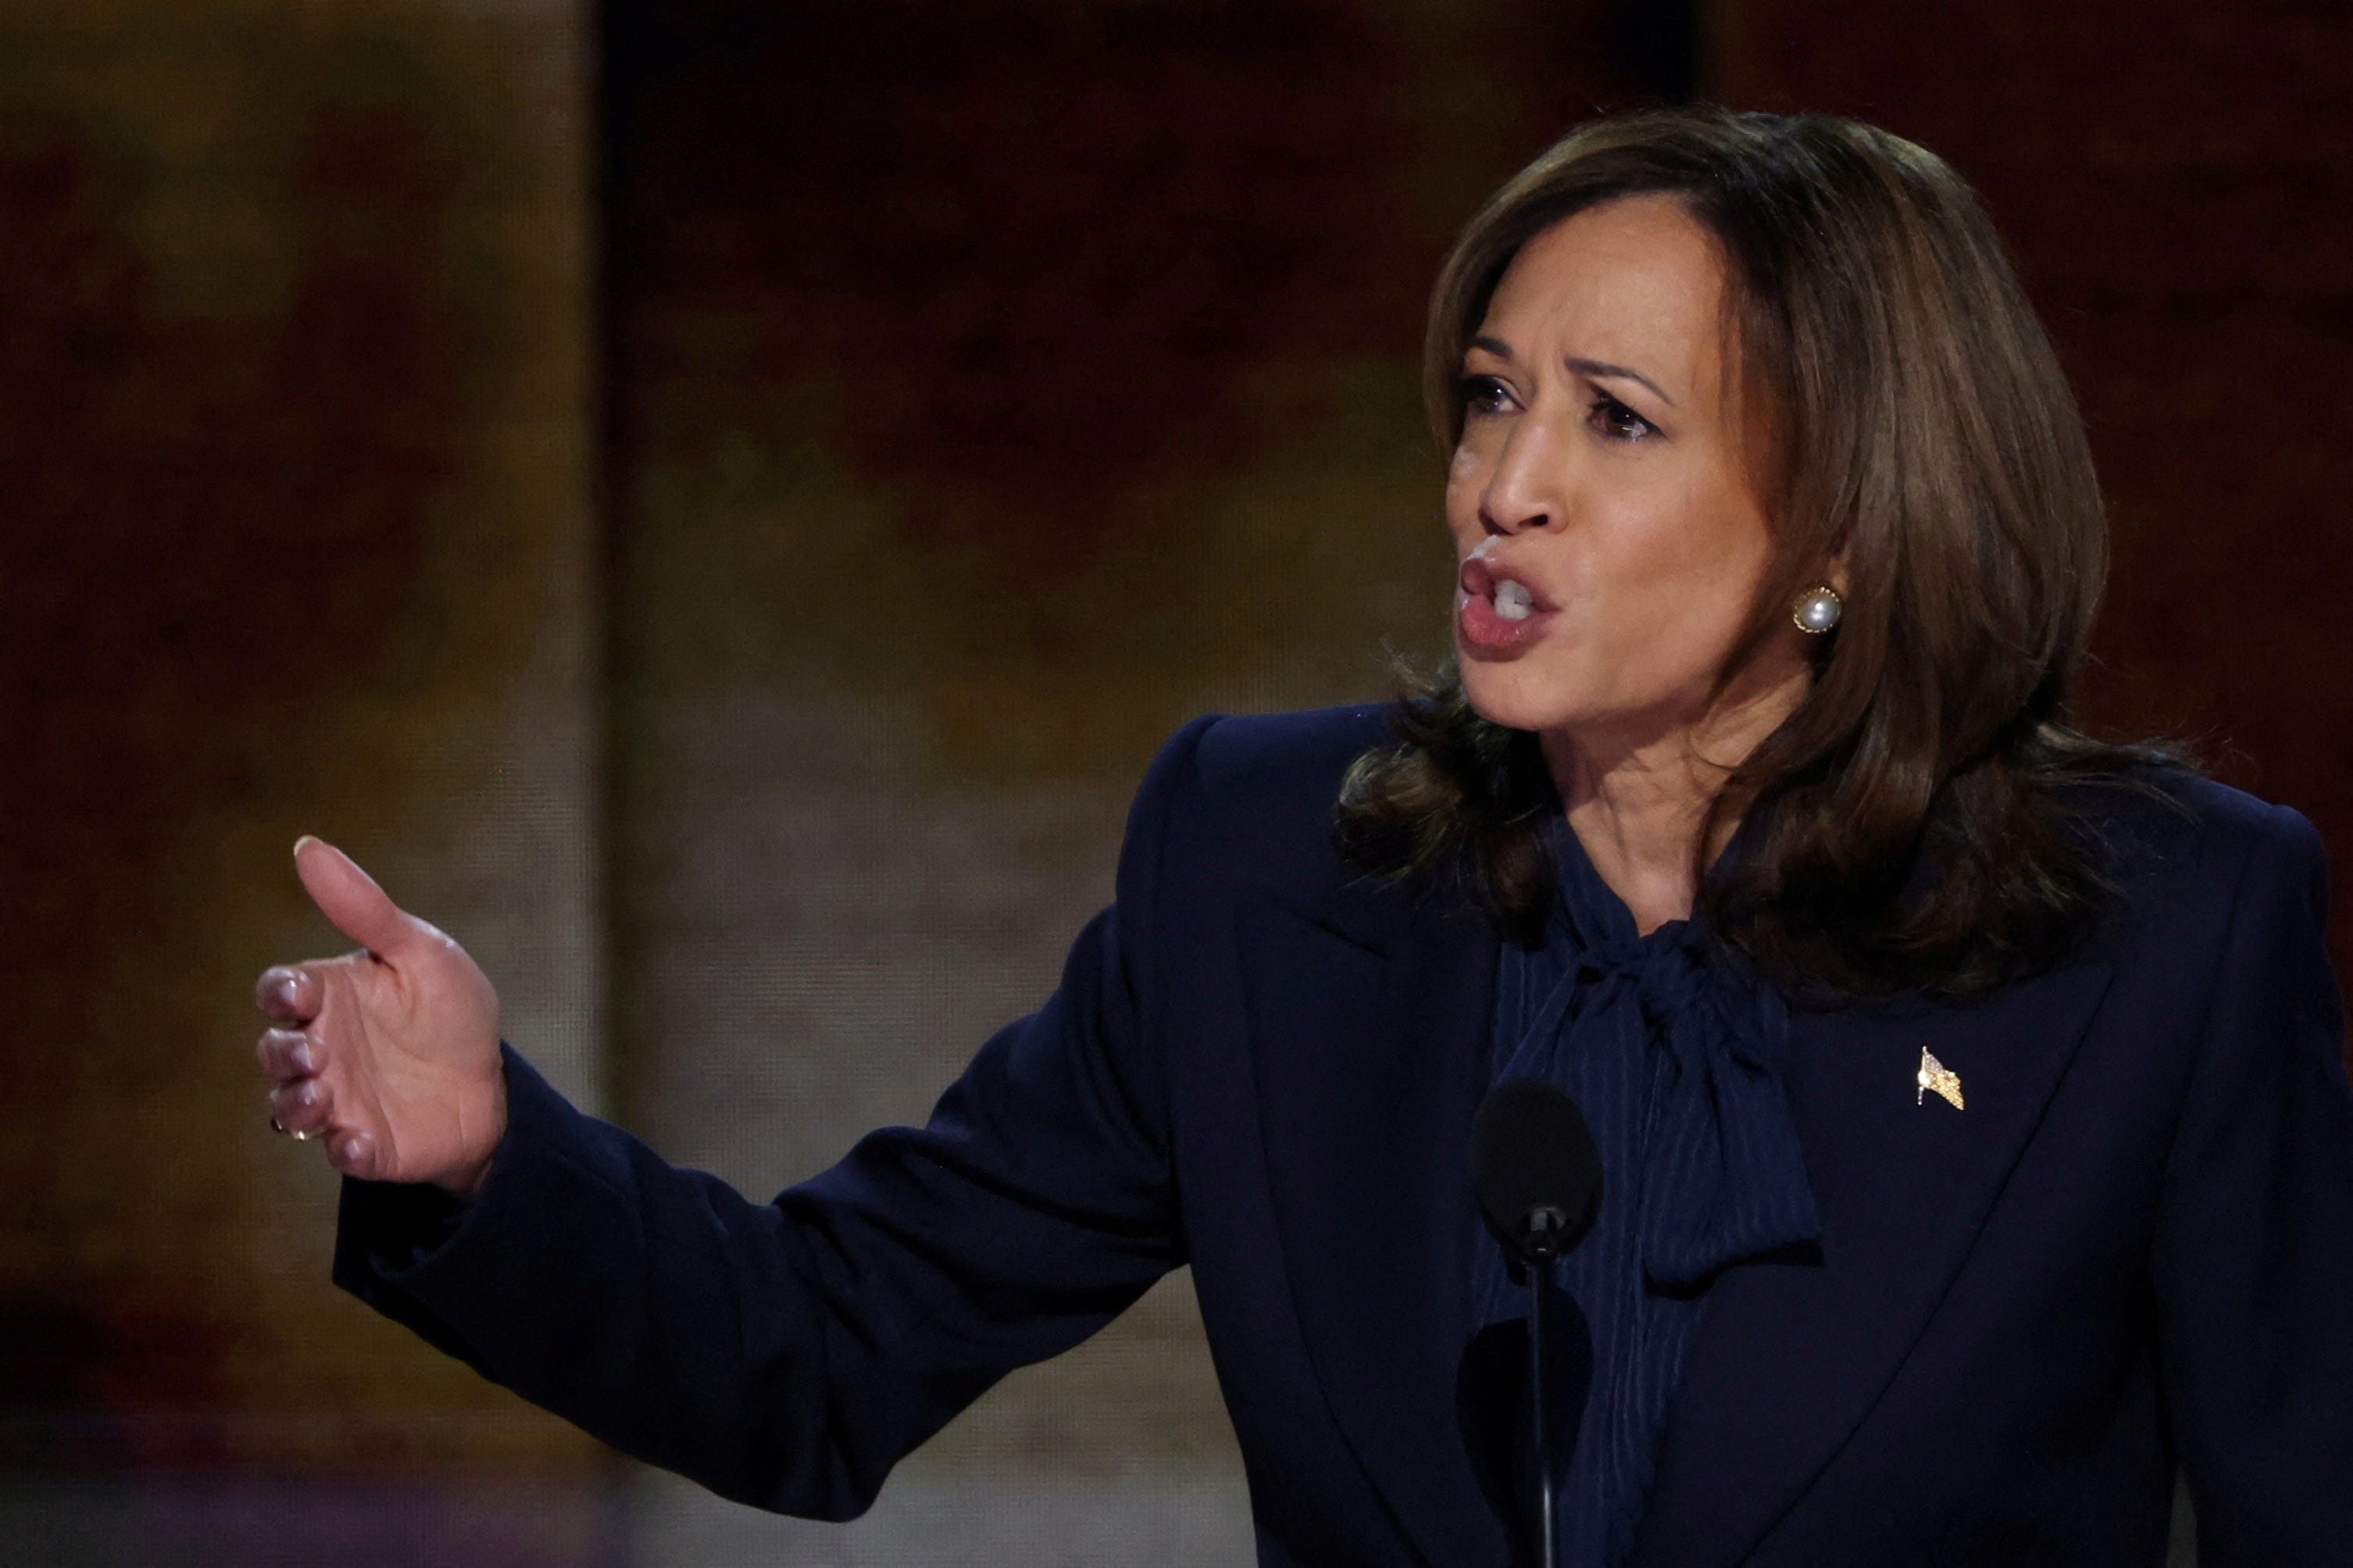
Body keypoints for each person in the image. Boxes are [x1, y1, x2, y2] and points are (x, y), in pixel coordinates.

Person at [252, 106, 2353, 1566]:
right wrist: (483, 1160)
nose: (1497, 487)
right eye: (1484, 394)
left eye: (1611, 422)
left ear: (1838, 528)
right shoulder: (1271, 868)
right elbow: (816, 1359)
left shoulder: (2155, 937)